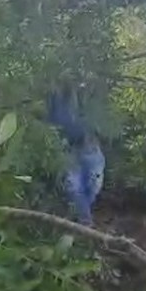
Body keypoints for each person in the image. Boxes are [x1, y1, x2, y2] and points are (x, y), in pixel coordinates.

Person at [47, 86, 105, 227]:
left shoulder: (82, 99)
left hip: (90, 149)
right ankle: (84, 221)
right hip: (70, 152)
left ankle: (80, 218)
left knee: (91, 187)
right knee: (75, 188)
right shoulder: (52, 102)